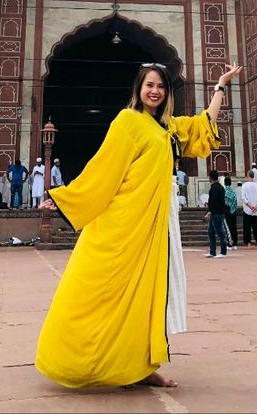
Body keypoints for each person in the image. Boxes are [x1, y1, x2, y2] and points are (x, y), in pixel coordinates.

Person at [36, 61, 242, 389]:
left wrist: (220, 86)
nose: (155, 91)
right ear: (139, 89)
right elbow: (104, 166)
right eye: (149, 85)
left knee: (145, 295)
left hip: (154, 224)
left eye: (160, 86)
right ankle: (75, 358)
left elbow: (204, 126)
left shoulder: (167, 128)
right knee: (102, 289)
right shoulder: (128, 121)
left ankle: (142, 365)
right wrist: (67, 198)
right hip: (124, 223)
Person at [205, 170, 228, 258]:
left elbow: (214, 202)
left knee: (220, 233)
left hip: (216, 213)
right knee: (211, 232)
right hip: (216, 212)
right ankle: (212, 251)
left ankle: (223, 252)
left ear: (210, 178)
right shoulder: (220, 187)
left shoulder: (214, 188)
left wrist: (210, 212)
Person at [241, 169, 257, 248]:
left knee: (247, 227)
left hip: (247, 209)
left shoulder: (244, 185)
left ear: (248, 176)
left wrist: (250, 206)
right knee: (256, 226)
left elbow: (243, 198)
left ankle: (249, 243)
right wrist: (256, 206)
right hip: (255, 210)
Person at [223, 176, 238, 250]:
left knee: (228, 228)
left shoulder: (224, 191)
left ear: (224, 183)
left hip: (227, 210)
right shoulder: (233, 191)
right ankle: (235, 244)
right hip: (233, 210)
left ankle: (230, 244)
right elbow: (235, 202)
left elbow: (223, 202)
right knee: (234, 227)